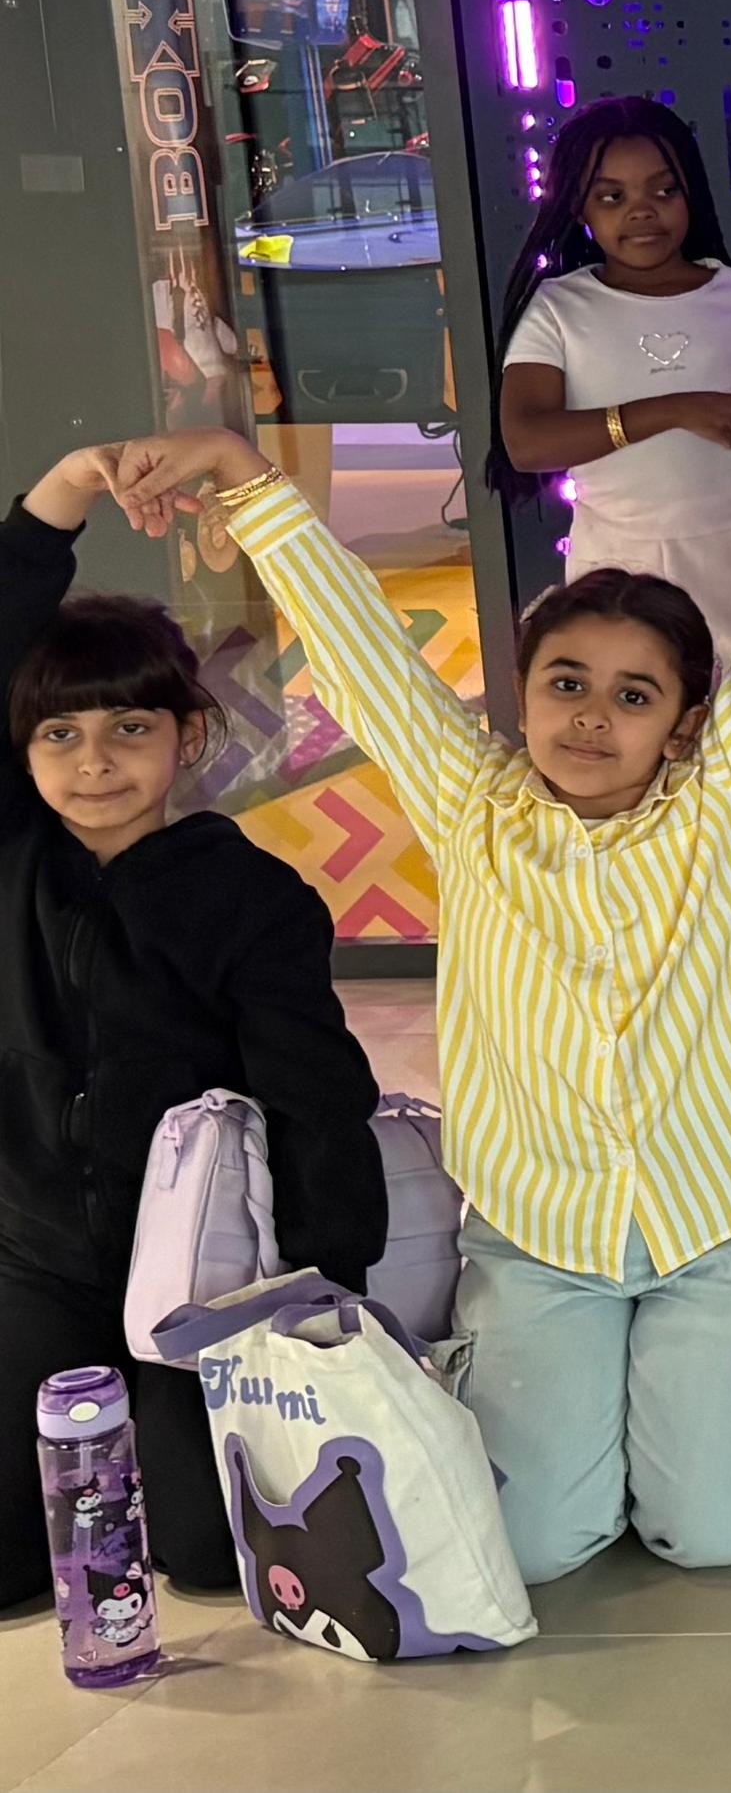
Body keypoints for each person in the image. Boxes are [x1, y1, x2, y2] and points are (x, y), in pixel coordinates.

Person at [111, 391, 731, 1584]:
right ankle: (586, 1389)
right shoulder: (474, 804)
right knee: (534, 1546)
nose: (592, 717)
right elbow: (364, 654)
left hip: (722, 1213)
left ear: (685, 725)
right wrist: (244, 474)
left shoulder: (727, 799)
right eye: (566, 683)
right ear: (523, 692)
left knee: (713, 1534)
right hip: (543, 1230)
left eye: (634, 696)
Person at [0, 445, 383, 1614]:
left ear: (187, 734)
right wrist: (63, 496)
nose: (94, 763)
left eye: (128, 727)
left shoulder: (251, 898)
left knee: (212, 1562)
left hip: (188, 1279)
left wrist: (324, 1293)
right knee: (18, 1564)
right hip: (34, 1261)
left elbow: (319, 1100)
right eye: (59, 735)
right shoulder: (15, 858)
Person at [488, 97, 731, 661]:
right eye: (612, 197)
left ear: (691, 194)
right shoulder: (558, 308)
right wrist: (670, 409)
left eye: (664, 191)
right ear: (579, 209)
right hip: (618, 573)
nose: (642, 212)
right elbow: (527, 442)